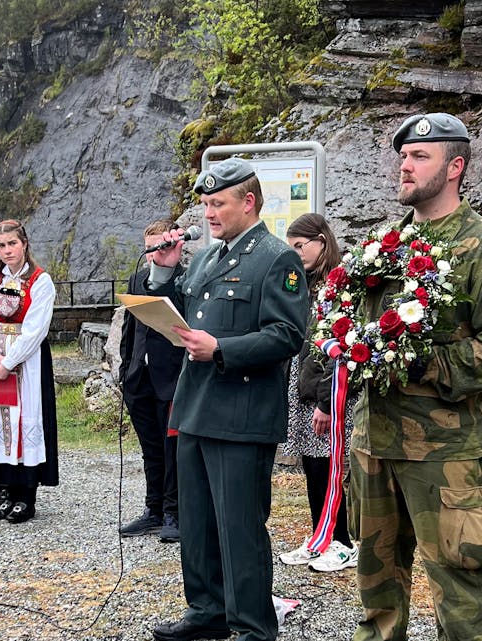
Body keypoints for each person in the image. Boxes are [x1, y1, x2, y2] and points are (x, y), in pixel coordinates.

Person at [347, 113, 482, 641]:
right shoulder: (385, 243)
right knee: (375, 580)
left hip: (443, 448)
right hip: (374, 438)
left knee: (458, 577)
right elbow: (358, 329)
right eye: (403, 156)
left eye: (419, 156)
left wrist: (427, 363)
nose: (405, 165)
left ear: (455, 167)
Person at [148, 157, 308, 641]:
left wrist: (222, 349)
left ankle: (253, 626)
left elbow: (287, 335)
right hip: (197, 408)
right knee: (196, 525)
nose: (209, 214)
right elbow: (188, 309)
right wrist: (162, 275)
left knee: (239, 528)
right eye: (205, 204)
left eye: (218, 204)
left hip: (242, 414)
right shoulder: (209, 258)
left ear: (249, 202)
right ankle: (207, 609)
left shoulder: (277, 258)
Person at [279, 213, 358, 572]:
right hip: (306, 387)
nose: (296, 253)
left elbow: (341, 348)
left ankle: (341, 541)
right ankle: (319, 537)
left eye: (300, 246)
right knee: (313, 466)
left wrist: (327, 401)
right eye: (291, 247)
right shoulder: (308, 284)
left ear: (322, 242)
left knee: (329, 465)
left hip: (329, 392)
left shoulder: (340, 285)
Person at [0, 219, 58, 524]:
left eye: (12, 244)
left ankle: (27, 496)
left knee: (26, 419)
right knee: (0, 420)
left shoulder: (40, 281)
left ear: (24, 244)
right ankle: (6, 492)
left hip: (28, 361)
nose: (7, 250)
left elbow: (36, 330)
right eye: (1, 245)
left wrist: (10, 362)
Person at [118, 219, 185, 543]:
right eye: (148, 249)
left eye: (158, 247)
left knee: (172, 448)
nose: (152, 256)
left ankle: (174, 512)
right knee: (150, 449)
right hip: (138, 377)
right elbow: (129, 329)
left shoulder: (184, 279)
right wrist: (124, 370)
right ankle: (153, 509)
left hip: (170, 377)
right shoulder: (137, 279)